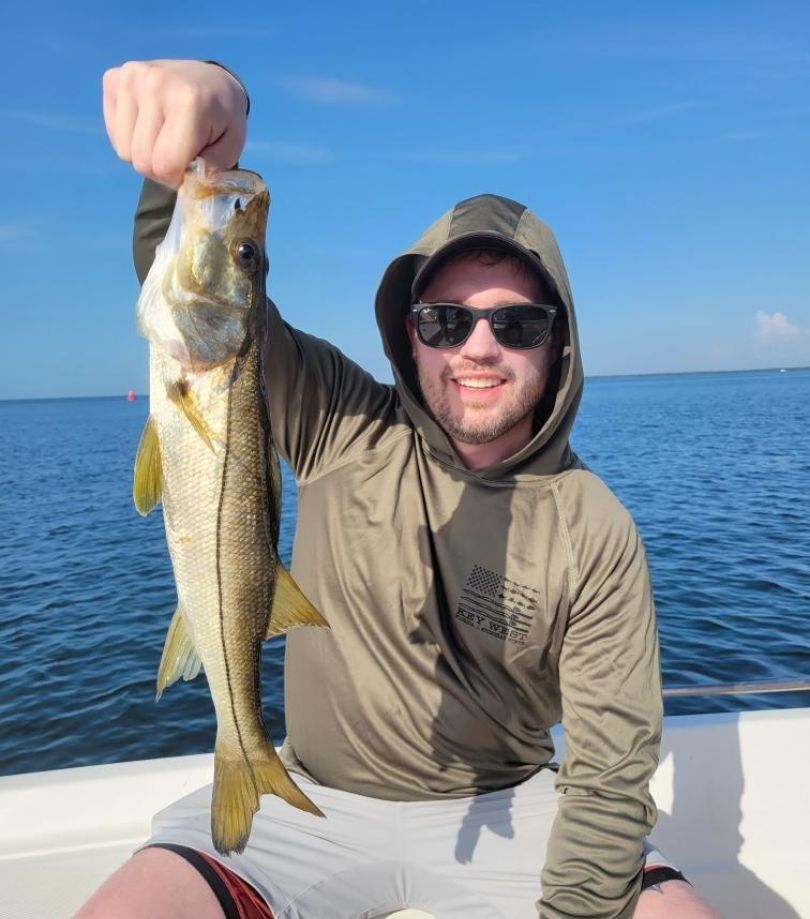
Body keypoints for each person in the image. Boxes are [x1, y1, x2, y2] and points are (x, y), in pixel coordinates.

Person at [80, 60, 722, 919]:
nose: (478, 347)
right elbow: (210, 310)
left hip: (513, 806)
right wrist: (205, 129)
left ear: (559, 343)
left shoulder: (596, 529)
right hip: (305, 800)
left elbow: (609, 773)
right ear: (408, 338)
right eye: (445, 321)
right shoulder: (338, 417)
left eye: (517, 322)